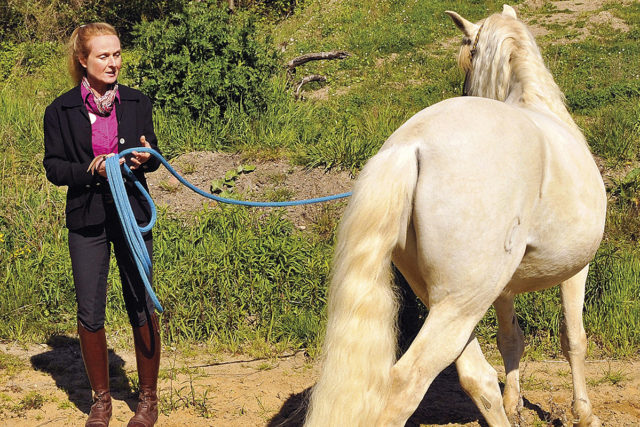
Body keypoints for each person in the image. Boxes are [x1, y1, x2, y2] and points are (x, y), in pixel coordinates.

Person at [43, 23, 161, 427]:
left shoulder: (137, 101)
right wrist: (89, 169)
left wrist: (148, 158)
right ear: (83, 60)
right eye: (103, 56)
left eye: (116, 54)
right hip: (87, 216)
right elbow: (54, 168)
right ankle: (101, 401)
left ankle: (147, 400)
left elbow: (154, 149)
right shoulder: (59, 110)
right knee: (90, 311)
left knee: (141, 301)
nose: (113, 63)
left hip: (133, 214)